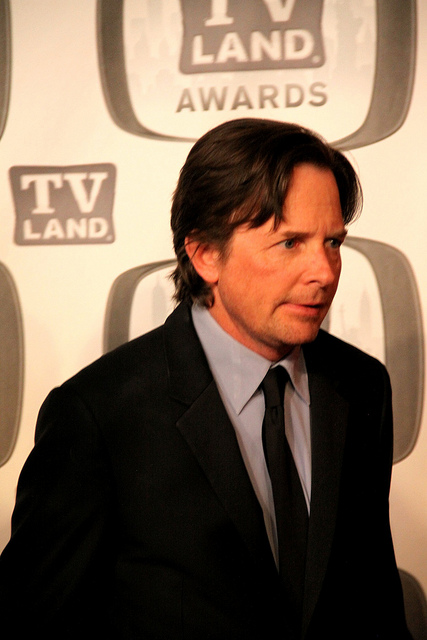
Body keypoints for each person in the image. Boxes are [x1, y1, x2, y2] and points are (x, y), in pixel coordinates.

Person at [0, 118, 410, 639]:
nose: (325, 272)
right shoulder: (100, 416)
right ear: (205, 255)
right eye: (290, 243)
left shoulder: (361, 385)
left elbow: (375, 603)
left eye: (332, 242)